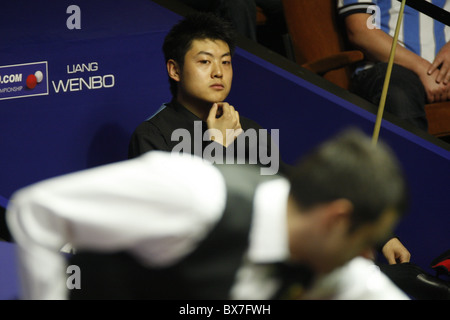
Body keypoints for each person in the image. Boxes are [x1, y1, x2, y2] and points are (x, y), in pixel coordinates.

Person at [6, 129, 410, 299]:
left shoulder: (330, 267)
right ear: (335, 219)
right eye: (363, 242)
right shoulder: (194, 194)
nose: (365, 255)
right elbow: (35, 210)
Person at [128, 12, 285, 176]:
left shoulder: (249, 130)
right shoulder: (153, 136)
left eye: (225, 62)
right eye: (205, 61)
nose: (218, 72)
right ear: (175, 70)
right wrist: (219, 143)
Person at [337, 0, 450, 132]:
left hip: (446, 70)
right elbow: (360, 31)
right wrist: (424, 69)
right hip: (389, 68)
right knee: (399, 94)